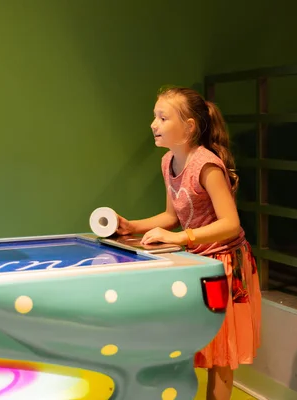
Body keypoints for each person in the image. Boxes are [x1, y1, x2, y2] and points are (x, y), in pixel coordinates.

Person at [115, 85, 262, 400]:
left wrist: (182, 237)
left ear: (189, 126)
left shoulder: (206, 165)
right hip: (199, 263)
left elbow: (230, 223)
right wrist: (131, 226)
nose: (154, 124)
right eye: (155, 117)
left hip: (226, 265)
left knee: (222, 355)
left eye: (163, 117)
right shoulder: (168, 161)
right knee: (198, 346)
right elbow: (171, 216)